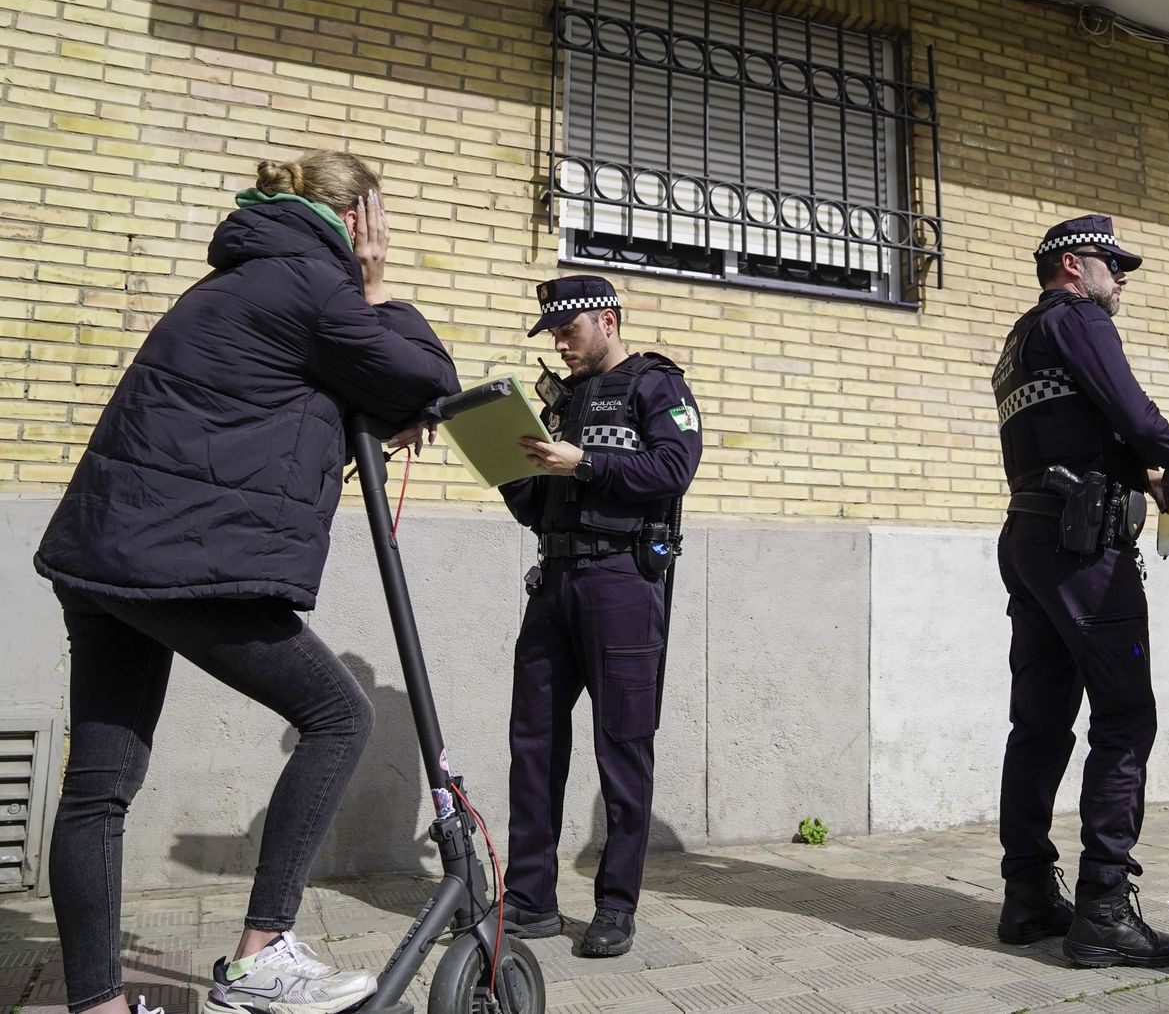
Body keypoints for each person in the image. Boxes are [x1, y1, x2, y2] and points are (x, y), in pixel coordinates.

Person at [34, 152, 460, 1014]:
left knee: (99, 790)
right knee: (339, 717)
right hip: (183, 558)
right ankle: (261, 956)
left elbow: (291, 391)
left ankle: (97, 1007)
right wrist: (377, 285)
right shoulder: (315, 285)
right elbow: (425, 379)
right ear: (358, 220)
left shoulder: (238, 276)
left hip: (105, 550)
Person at [992, 215, 1169, 968]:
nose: (1123, 281)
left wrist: (1131, 469)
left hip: (1032, 536)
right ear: (1075, 266)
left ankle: (1027, 896)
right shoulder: (1076, 318)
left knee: (1039, 723)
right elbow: (1126, 403)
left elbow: (1067, 427)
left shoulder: (1020, 340)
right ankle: (1105, 907)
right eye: (1116, 266)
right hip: (1083, 548)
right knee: (1126, 715)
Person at [498, 275, 701, 956]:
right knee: (533, 742)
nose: (560, 345)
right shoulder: (562, 403)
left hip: (621, 582)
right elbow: (537, 507)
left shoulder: (656, 385)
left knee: (623, 745)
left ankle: (616, 906)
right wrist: (508, 466)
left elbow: (673, 469)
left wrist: (583, 462)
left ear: (606, 321)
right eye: (553, 335)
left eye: (569, 331)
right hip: (554, 581)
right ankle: (530, 900)